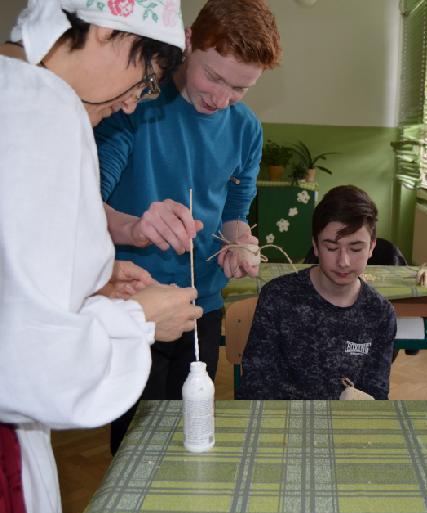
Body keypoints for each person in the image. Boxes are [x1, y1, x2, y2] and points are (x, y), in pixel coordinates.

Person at [0, 1, 203, 513]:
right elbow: (20, 364)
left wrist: (89, 285)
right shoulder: (41, 104)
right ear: (108, 30)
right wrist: (140, 321)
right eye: (146, 77)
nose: (132, 104)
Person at [95, 0, 282, 453]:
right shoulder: (134, 102)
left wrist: (240, 242)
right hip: (135, 301)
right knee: (136, 443)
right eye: (213, 77)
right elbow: (84, 207)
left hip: (202, 304)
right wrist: (136, 226)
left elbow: (234, 212)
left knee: (192, 430)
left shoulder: (246, 129)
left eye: (240, 88)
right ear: (189, 41)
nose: (220, 98)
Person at [237, 185, 397, 400]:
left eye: (355, 249)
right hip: (281, 417)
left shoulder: (380, 313)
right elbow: (255, 383)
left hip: (343, 419)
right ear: (315, 245)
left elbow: (375, 394)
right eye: (331, 248)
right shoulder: (278, 297)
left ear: (371, 248)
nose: (343, 261)